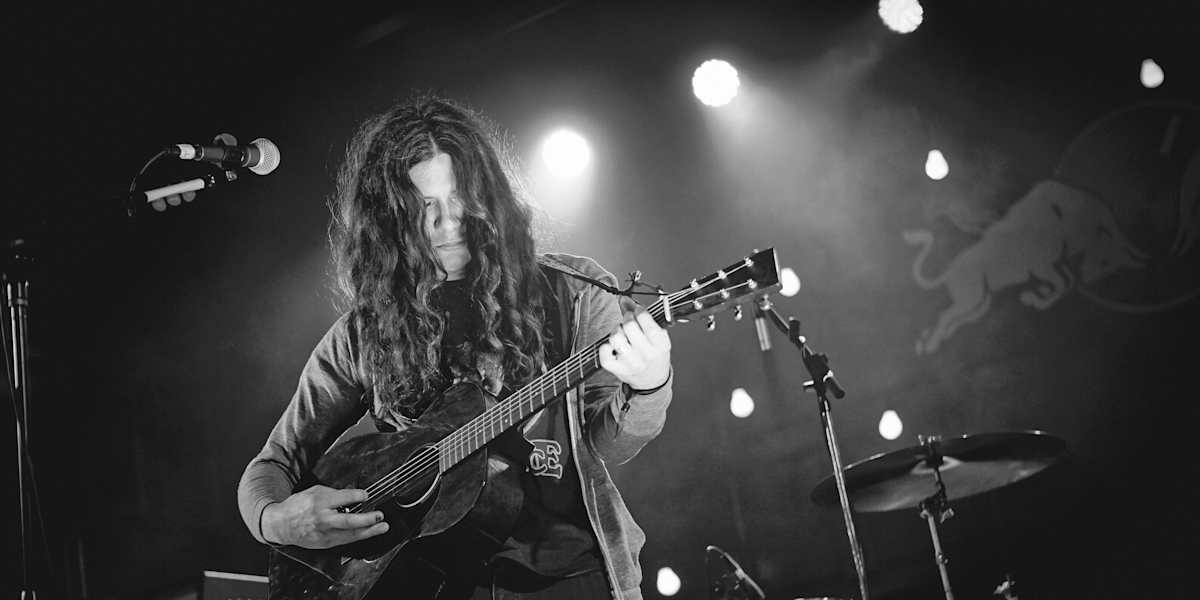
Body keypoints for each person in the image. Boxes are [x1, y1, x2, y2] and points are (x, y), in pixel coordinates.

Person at [237, 96, 673, 600]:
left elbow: (607, 444)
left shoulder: (573, 293)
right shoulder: (364, 332)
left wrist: (650, 384)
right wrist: (275, 520)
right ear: (387, 221)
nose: (448, 223)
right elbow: (273, 463)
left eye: (460, 198)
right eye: (423, 207)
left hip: (569, 577)